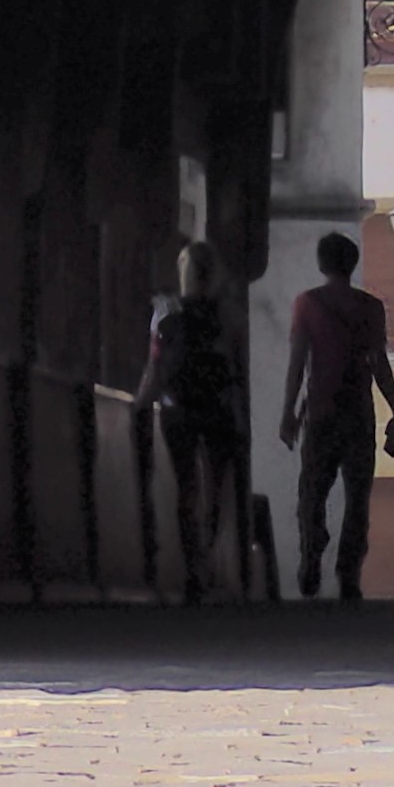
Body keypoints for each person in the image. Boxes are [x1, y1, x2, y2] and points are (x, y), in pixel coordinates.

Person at [279, 222, 394, 600]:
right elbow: (379, 363)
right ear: (352, 264)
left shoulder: (307, 304)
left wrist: (288, 413)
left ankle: (311, 556)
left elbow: (297, 362)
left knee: (312, 493)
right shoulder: (371, 308)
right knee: (357, 497)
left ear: (322, 264)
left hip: (320, 413)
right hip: (358, 415)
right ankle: (348, 572)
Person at [140, 238, 249, 600]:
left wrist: (141, 405)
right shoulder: (230, 317)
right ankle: (206, 548)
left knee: (187, 487)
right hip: (217, 408)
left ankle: (193, 567)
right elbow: (239, 371)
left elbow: (155, 369)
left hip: (178, 409)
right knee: (216, 489)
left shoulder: (167, 318)